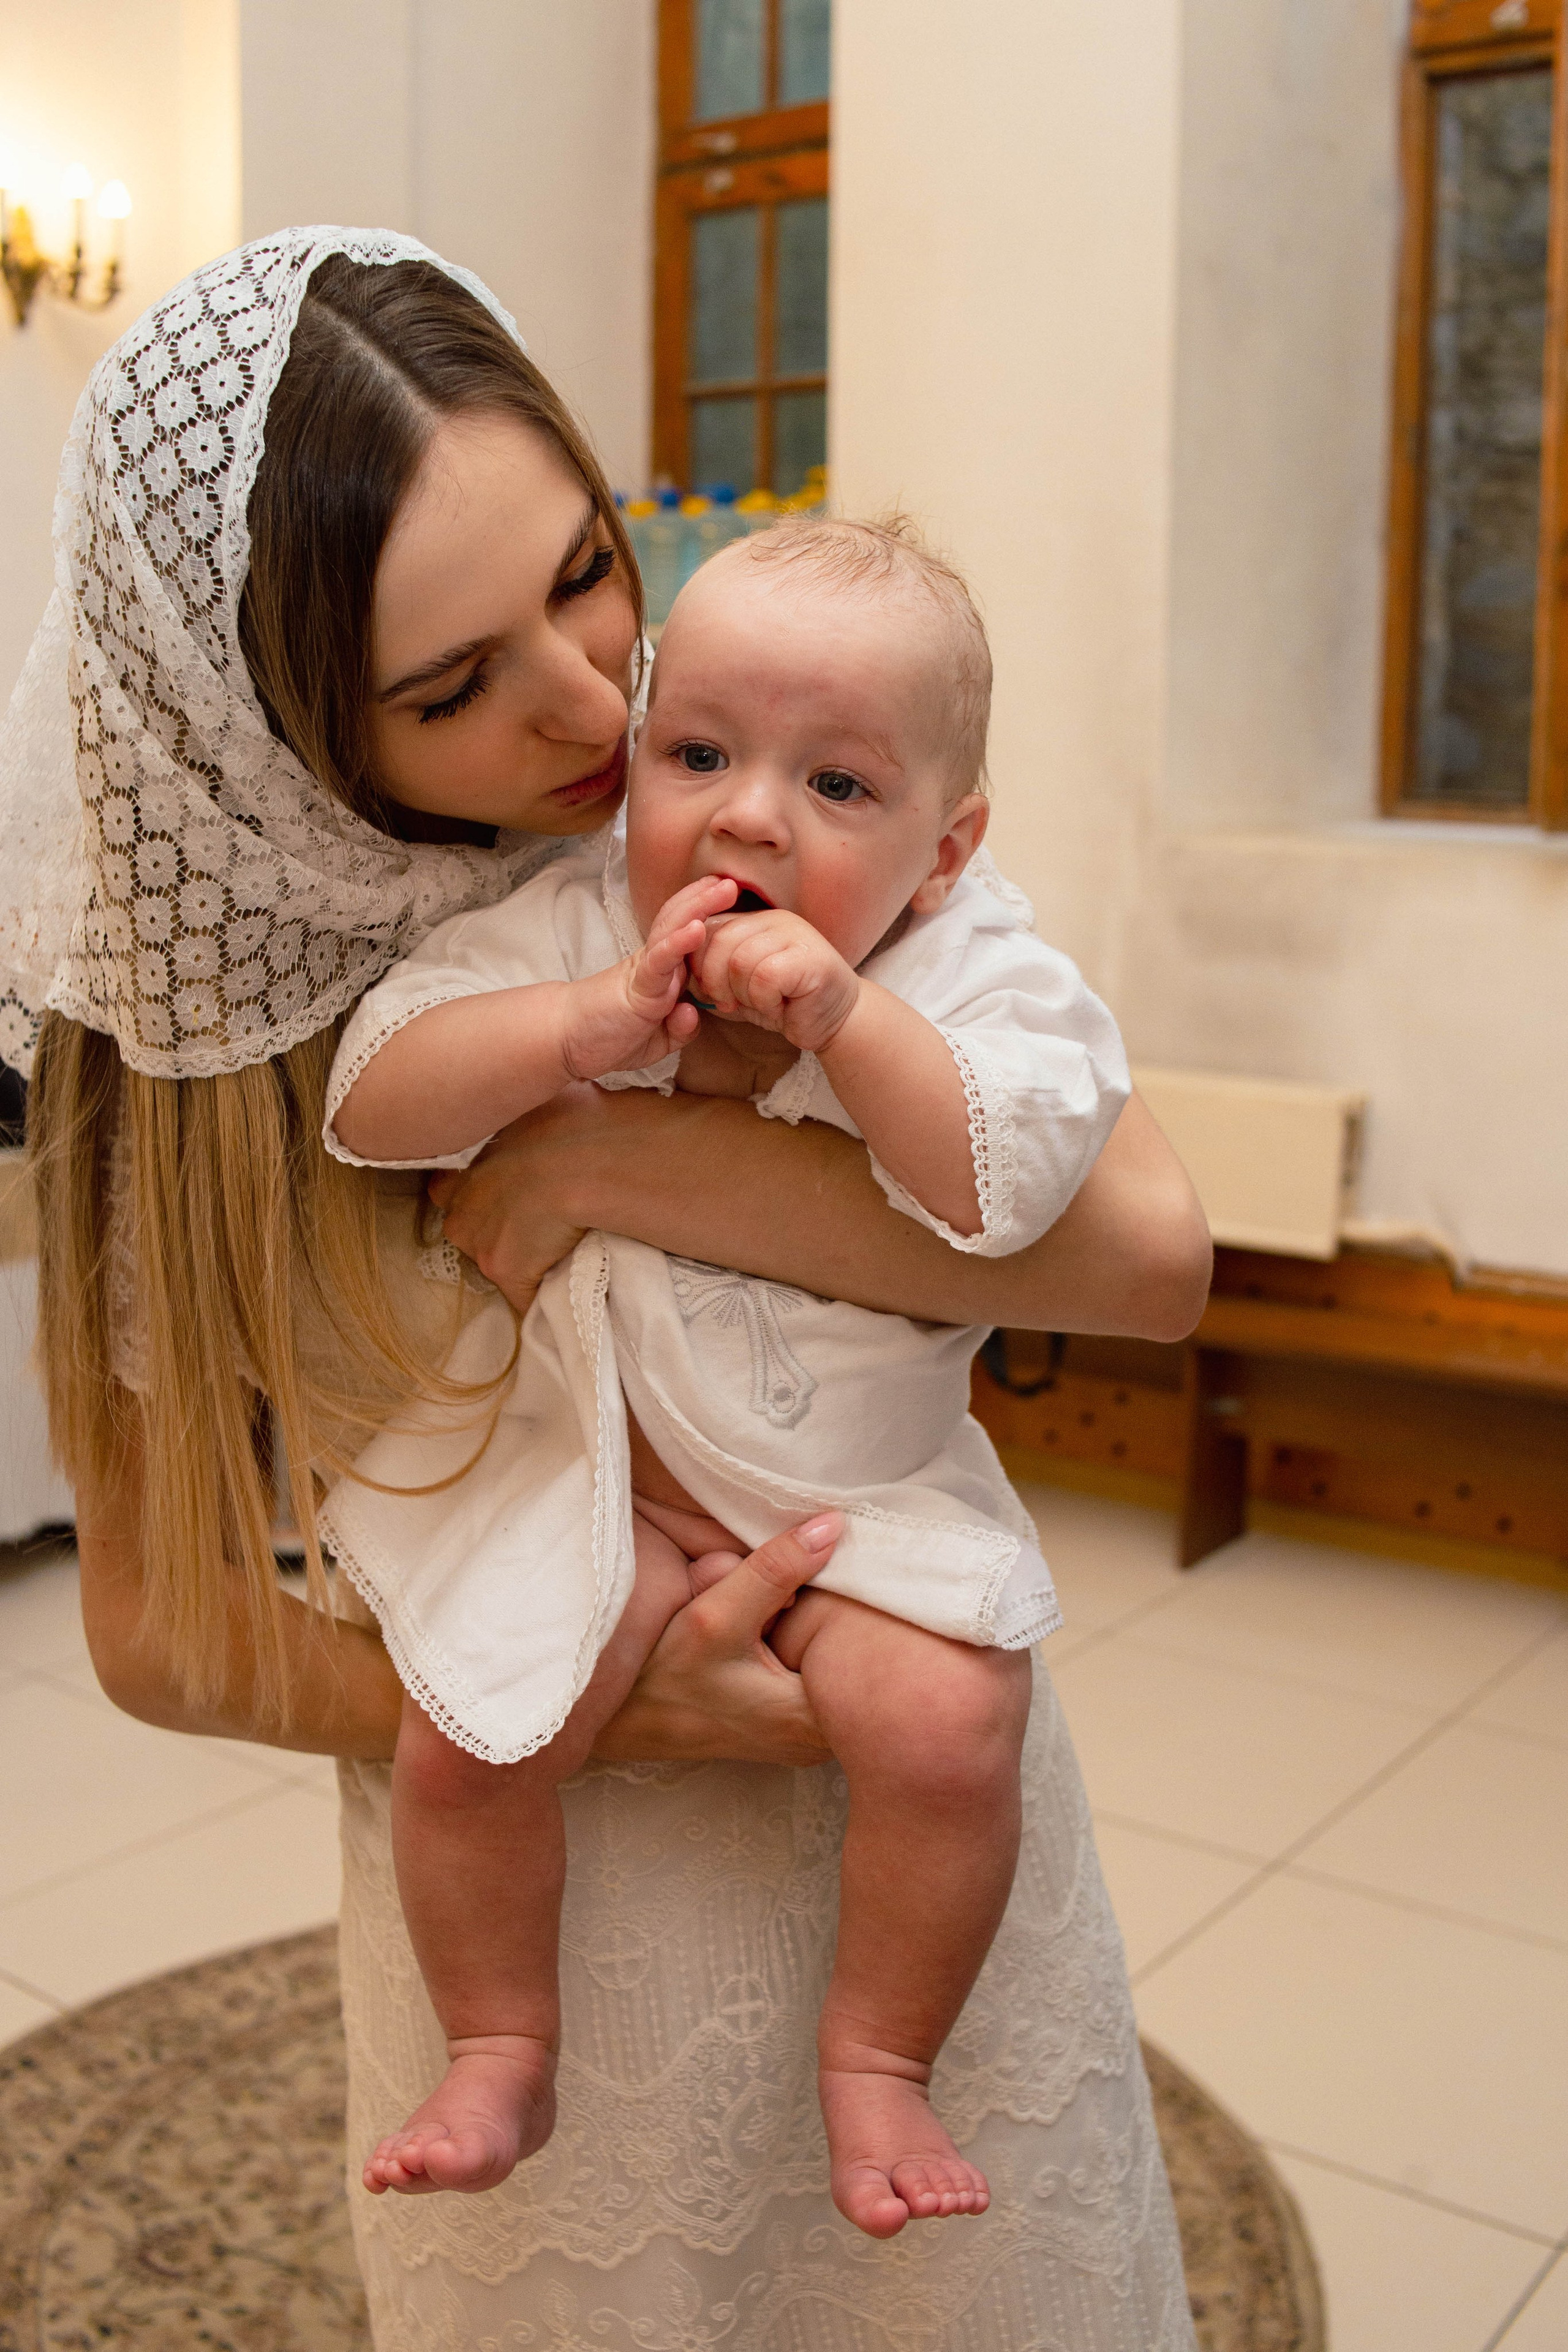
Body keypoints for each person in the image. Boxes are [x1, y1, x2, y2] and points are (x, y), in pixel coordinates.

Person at [0, 229, 1208, 2350]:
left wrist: (616, 1155)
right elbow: (160, 1636)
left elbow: (1146, 1255)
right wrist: (604, 1712)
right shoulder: (175, 1057)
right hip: (522, 1810)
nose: (591, 708)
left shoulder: (766, 791)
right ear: (279, 728)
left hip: (888, 1793)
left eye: (585, 572)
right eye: (452, 685)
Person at [323, 514, 1131, 2236]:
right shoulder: (561, 931)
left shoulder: (971, 971)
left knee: (952, 1720)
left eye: (839, 787)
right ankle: (497, 2037)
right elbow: (372, 1097)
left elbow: (1009, 1180)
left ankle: (877, 2061)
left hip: (858, 1505)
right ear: (635, 763)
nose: (749, 813)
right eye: (696, 753)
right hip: (591, 1477)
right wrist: (580, 1032)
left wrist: (853, 1024)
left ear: (946, 846)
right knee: (473, 1727)